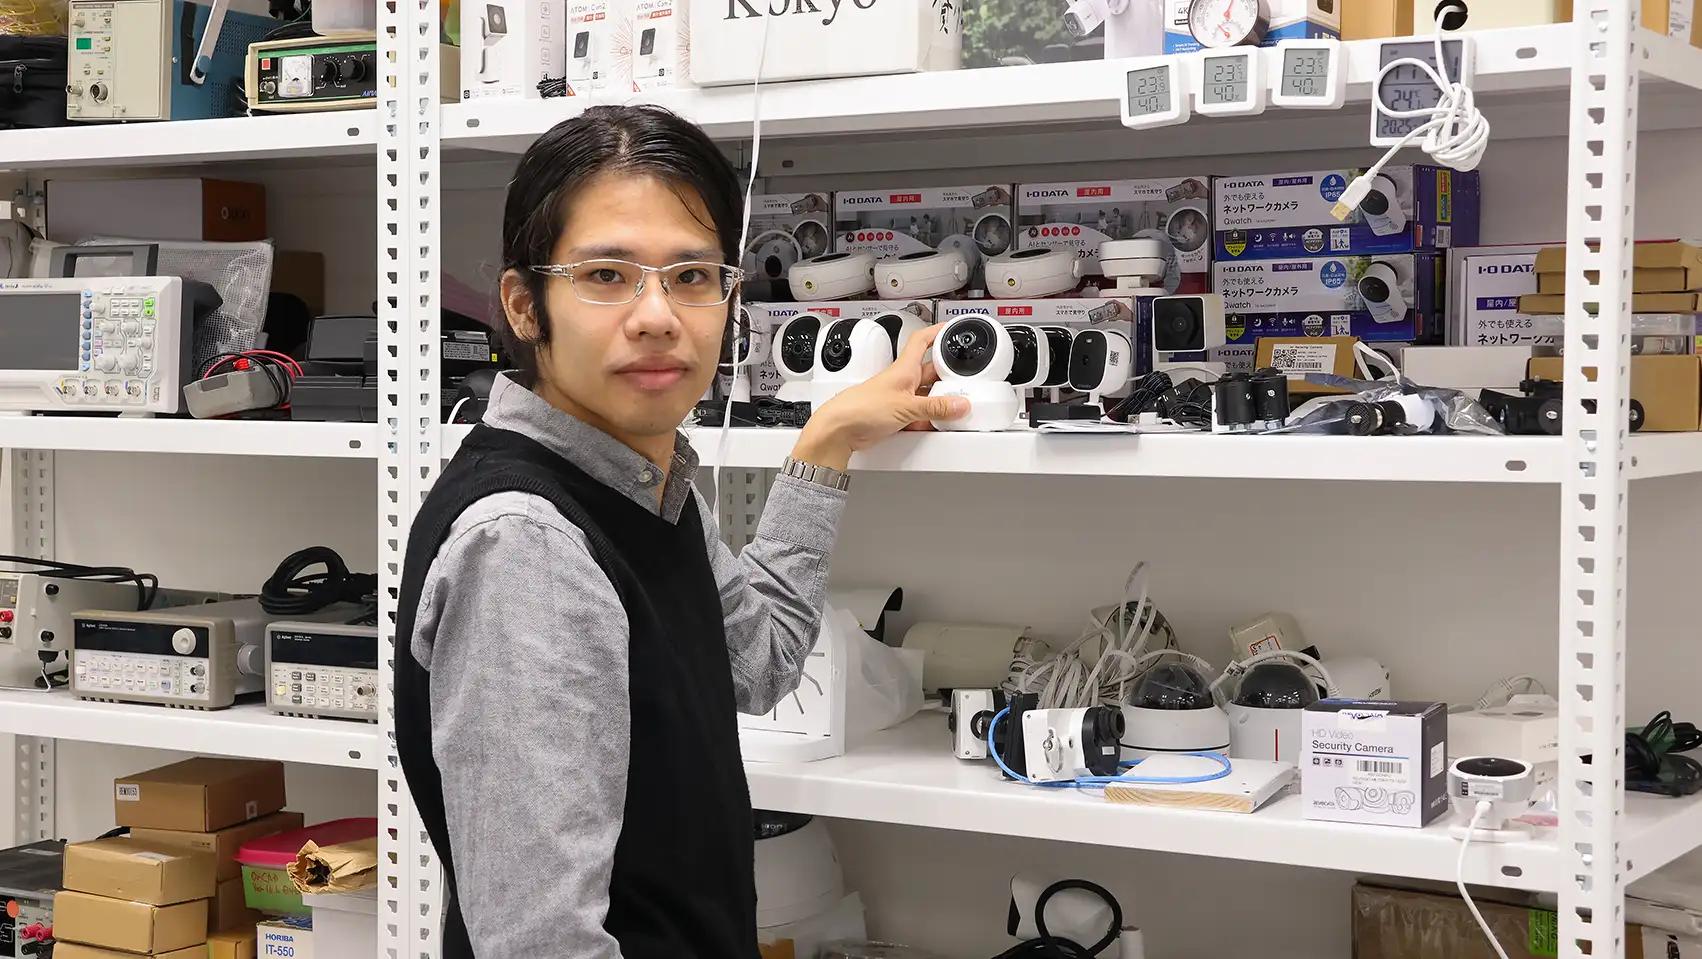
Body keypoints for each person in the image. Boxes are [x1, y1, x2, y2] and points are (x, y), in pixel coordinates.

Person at [393, 104, 969, 959]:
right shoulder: (529, 544)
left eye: (693, 275)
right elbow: (544, 945)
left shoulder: (639, 484)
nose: (657, 315)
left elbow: (759, 661)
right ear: (524, 305)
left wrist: (826, 440)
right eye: (606, 274)